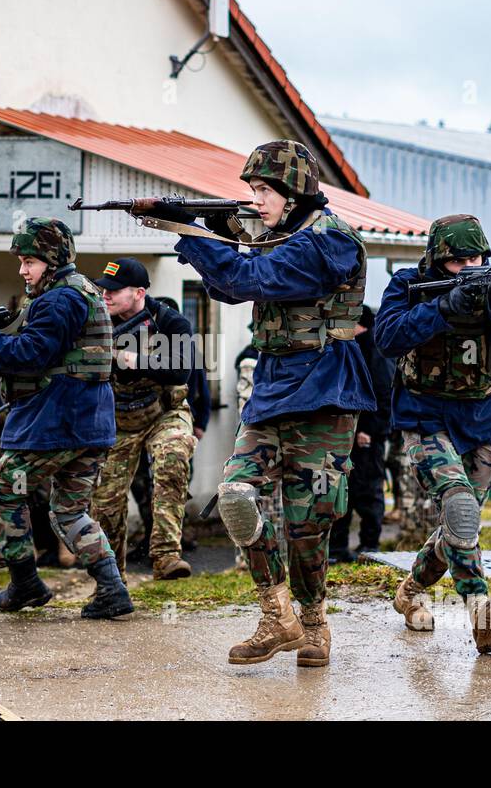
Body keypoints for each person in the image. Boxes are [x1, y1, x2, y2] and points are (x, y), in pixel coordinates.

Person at [151, 140, 375, 667]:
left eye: (265, 189)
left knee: (308, 520)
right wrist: (212, 234)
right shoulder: (279, 237)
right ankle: (278, 614)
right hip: (274, 386)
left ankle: (315, 622)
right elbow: (230, 288)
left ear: (296, 192)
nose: (256, 199)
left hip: (326, 387)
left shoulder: (330, 242)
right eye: (251, 189)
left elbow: (249, 277)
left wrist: (190, 231)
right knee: (235, 496)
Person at [0, 218, 133, 618]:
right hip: (90, 424)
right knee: (69, 510)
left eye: (30, 261)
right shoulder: (83, 290)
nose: (22, 270)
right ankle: (112, 589)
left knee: (3, 489)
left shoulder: (58, 300)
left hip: (56, 423)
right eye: (21, 261)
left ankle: (25, 583)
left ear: (51, 261)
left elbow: (29, 354)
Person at [374, 214, 491, 654]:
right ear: (437, 259)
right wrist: (443, 309)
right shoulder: (407, 285)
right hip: (425, 413)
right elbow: (387, 339)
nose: (469, 266)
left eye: (477, 257)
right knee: (460, 506)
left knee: (462, 526)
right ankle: (480, 607)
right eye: (458, 260)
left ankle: (410, 591)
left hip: (485, 416)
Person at [90, 259, 197, 580]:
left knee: (173, 458)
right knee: (106, 500)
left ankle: (166, 556)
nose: (105, 295)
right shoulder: (94, 322)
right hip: (118, 421)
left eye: (113, 290)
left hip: (164, 413)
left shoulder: (169, 321)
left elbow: (181, 369)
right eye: (102, 289)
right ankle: (111, 578)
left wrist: (127, 358)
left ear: (139, 292)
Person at [0, 367, 71, 568]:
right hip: (11, 441)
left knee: (51, 495)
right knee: (15, 495)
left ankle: (63, 546)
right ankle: (26, 552)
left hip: (43, 440)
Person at [329, 305, 394, 562]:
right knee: (344, 488)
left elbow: (381, 392)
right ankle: (338, 548)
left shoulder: (374, 349)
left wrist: (368, 429)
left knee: (368, 490)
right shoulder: (358, 347)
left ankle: (369, 545)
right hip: (351, 432)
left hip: (367, 434)